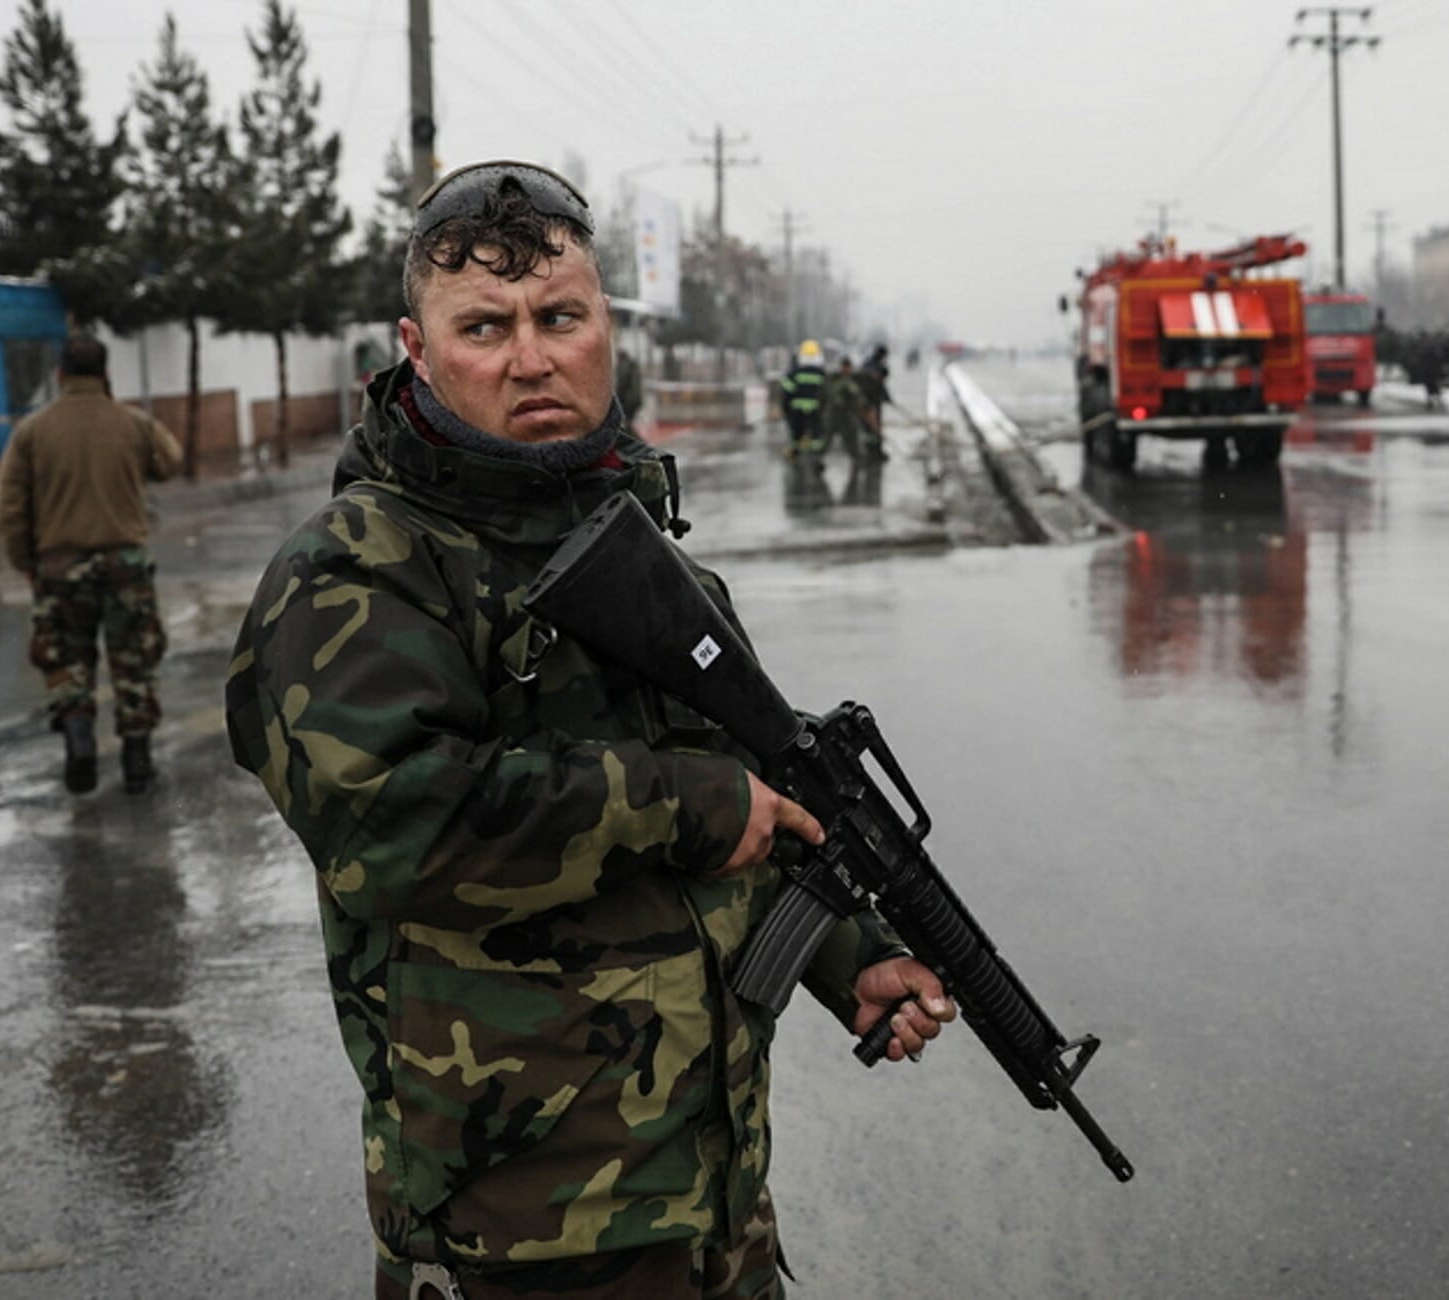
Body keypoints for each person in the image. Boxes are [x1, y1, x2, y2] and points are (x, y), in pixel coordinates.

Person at [221, 160, 954, 1300]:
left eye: (561, 316)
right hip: (522, 1235)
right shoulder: (357, 570)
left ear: (606, 324)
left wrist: (846, 959)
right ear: (415, 347)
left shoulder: (653, 558)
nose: (531, 356)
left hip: (710, 1196)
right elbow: (393, 825)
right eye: (485, 326)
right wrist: (688, 805)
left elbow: (754, 816)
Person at [0, 334, 182, 794]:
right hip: (125, 564)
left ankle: (79, 743)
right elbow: (169, 461)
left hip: (60, 567)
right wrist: (117, 406)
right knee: (133, 661)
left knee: (66, 660)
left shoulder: (32, 432)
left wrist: (26, 560)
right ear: (106, 375)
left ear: (60, 376)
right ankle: (137, 760)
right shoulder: (132, 424)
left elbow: (11, 506)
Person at [780, 339, 826, 455]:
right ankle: (817, 457)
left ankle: (795, 454)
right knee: (816, 435)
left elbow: (786, 391)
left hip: (796, 410)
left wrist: (785, 408)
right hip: (815, 410)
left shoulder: (795, 373)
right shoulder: (821, 374)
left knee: (796, 433)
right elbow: (827, 394)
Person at [821, 355, 867, 460]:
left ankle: (857, 460)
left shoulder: (856, 379)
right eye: (844, 366)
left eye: (848, 367)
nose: (846, 369)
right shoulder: (834, 378)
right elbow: (827, 392)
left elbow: (860, 397)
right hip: (834, 414)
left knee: (852, 440)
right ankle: (818, 460)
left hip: (849, 414)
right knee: (826, 440)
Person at [855, 343, 892, 461]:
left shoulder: (870, 365)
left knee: (871, 428)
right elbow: (875, 386)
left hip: (871, 402)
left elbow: (881, 385)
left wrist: (887, 398)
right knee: (872, 427)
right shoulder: (874, 369)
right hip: (869, 403)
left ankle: (873, 451)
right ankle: (873, 452)